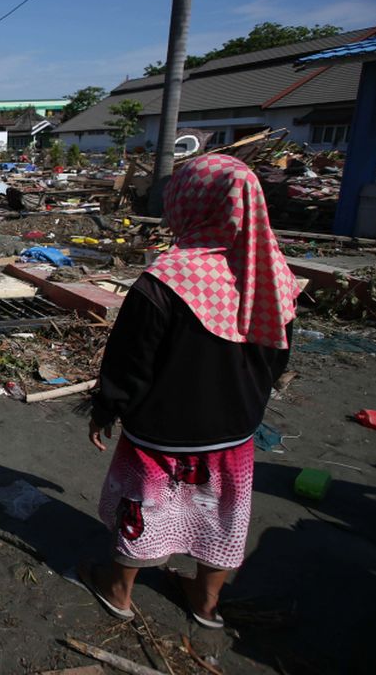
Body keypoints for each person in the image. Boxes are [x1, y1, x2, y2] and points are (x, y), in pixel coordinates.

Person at [78, 154, 299, 628]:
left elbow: (129, 363)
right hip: (234, 430)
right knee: (222, 514)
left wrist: (105, 409)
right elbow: (278, 354)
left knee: (145, 507)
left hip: (161, 431)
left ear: (188, 202)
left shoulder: (165, 282)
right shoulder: (271, 274)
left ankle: (118, 590)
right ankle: (205, 600)